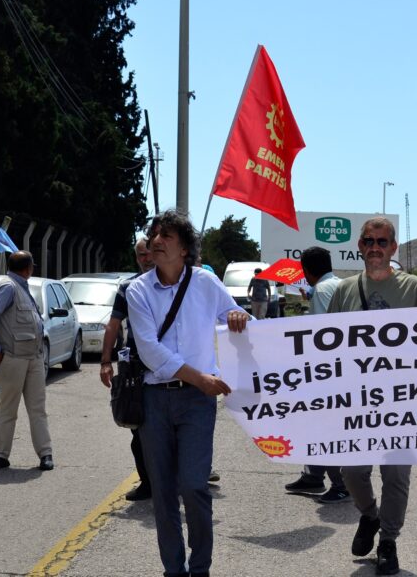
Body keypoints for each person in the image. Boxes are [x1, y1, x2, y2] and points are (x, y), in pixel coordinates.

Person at [327, 217, 417, 576]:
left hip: (403, 401)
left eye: (382, 241)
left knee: (396, 476)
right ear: (360, 246)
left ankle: (388, 541)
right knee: (351, 471)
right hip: (357, 400)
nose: (375, 247)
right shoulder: (344, 290)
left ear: (393, 247)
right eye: (368, 240)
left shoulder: (414, 287)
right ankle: (369, 515)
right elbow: (321, 342)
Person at [126, 209, 250, 577]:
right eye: (154, 235)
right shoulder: (137, 290)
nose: (156, 242)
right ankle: (173, 571)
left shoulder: (206, 284)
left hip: (197, 403)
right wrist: (201, 378)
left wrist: (240, 317)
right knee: (163, 493)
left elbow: (236, 318)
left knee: (194, 486)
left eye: (166, 236)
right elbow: (150, 350)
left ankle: (200, 568)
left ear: (185, 248)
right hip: (154, 400)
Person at [282, 246, 350, 504]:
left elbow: (322, 335)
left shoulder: (322, 290)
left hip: (327, 371)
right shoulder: (339, 284)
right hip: (342, 367)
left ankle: (341, 484)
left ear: (305, 271)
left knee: (324, 427)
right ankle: (313, 475)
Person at [0, 250, 53, 471]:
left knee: (37, 409)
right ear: (28, 268)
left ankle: (45, 454)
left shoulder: (21, 287)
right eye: (32, 266)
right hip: (13, 359)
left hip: (34, 358)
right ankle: (1, 456)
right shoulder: (9, 287)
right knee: (8, 409)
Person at [100, 237, 154, 501]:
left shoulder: (175, 283)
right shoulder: (128, 287)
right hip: (136, 366)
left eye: (149, 254)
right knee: (136, 426)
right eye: (140, 255)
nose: (146, 259)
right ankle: (148, 483)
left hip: (172, 366)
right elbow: (113, 325)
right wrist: (105, 361)